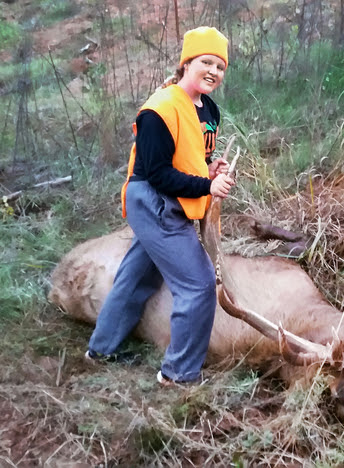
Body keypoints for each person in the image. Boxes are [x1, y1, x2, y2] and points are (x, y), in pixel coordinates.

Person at [85, 26, 235, 386]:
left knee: (139, 274)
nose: (213, 71)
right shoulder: (159, 109)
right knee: (198, 285)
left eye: (220, 65)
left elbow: (193, 155)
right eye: (205, 61)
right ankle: (179, 375)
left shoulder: (208, 109)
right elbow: (156, 173)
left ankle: (101, 350)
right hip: (154, 200)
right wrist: (207, 185)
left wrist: (210, 167)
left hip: (176, 197)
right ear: (186, 63)